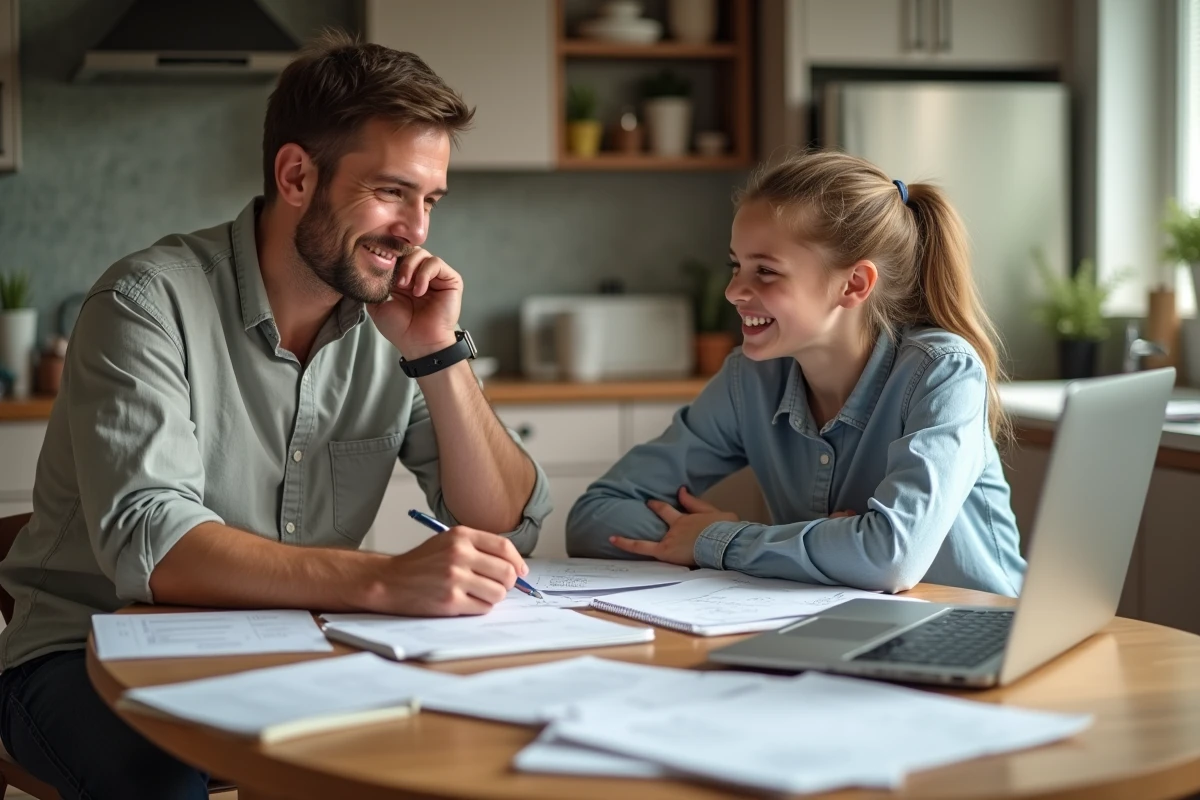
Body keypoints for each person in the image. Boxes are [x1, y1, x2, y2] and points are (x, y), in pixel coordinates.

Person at [0, 31, 550, 799]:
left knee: (445, 759)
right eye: (392, 191)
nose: (417, 230)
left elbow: (504, 524)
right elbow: (153, 545)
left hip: (299, 643)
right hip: (84, 649)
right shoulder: (145, 303)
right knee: (157, 782)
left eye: (429, 200)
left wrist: (439, 357)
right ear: (296, 175)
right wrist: (387, 581)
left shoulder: (400, 321)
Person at [566, 151, 1025, 598]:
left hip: (979, 637)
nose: (732, 291)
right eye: (736, 266)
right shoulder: (750, 379)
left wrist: (720, 540)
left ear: (854, 284)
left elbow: (890, 558)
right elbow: (594, 518)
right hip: (839, 633)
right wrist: (809, 542)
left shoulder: (943, 373)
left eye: (765, 271)